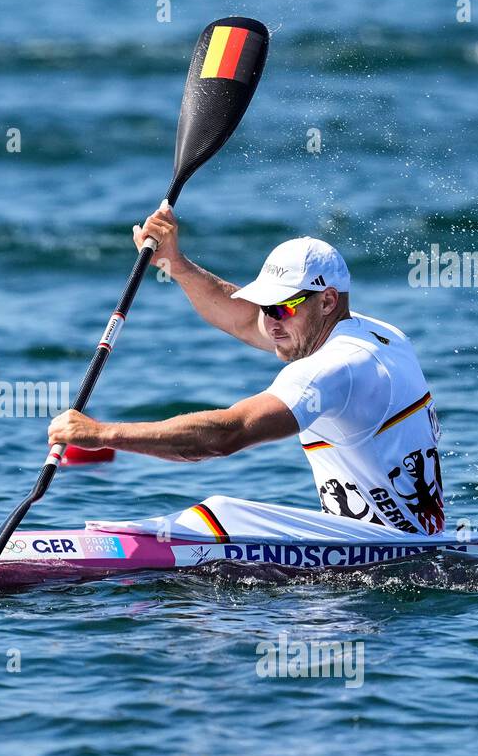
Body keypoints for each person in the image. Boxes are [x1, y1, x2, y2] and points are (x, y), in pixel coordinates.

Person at [47, 207, 446, 535]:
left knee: (223, 515)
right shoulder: (377, 334)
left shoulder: (333, 367)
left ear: (326, 301)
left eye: (282, 308)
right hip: (407, 545)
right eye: (266, 307)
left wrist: (102, 435)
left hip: (381, 554)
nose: (270, 322)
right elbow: (240, 318)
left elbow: (226, 435)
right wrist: (174, 264)